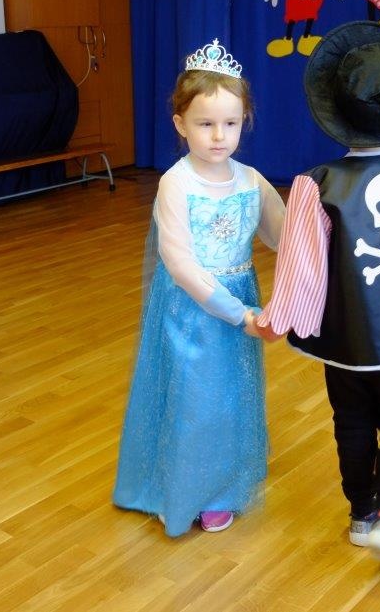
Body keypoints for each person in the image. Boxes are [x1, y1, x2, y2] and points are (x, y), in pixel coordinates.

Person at [254, 21, 380, 567]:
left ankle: (361, 514)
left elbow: (301, 269)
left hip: (349, 344)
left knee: (353, 421)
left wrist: (277, 319)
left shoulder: (316, 185)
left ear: (336, 110)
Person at [111, 39, 285, 537]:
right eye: (205, 124)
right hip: (191, 311)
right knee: (192, 400)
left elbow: (284, 237)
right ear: (180, 123)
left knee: (230, 399)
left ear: (244, 121)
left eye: (231, 123)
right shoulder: (177, 183)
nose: (219, 136)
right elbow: (180, 263)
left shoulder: (251, 180)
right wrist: (240, 314)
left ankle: (220, 491)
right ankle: (180, 491)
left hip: (241, 305)